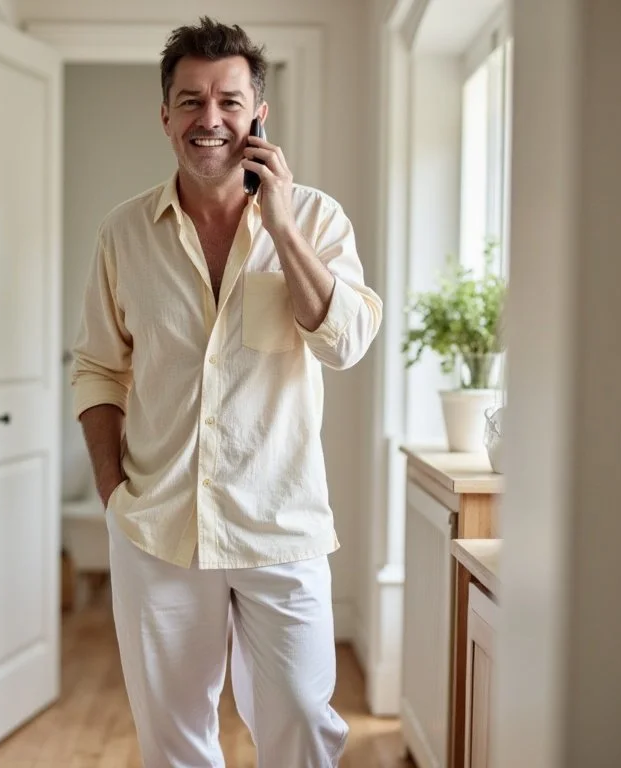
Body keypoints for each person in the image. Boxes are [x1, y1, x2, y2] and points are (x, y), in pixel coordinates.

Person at [69, 16, 382, 767]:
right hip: (158, 529)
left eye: (229, 101)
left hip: (281, 524)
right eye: (190, 101)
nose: (210, 119)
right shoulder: (123, 235)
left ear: (257, 113)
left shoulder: (316, 220)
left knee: (303, 723)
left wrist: (281, 221)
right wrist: (113, 491)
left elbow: (344, 344)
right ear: (166, 115)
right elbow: (97, 369)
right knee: (174, 741)